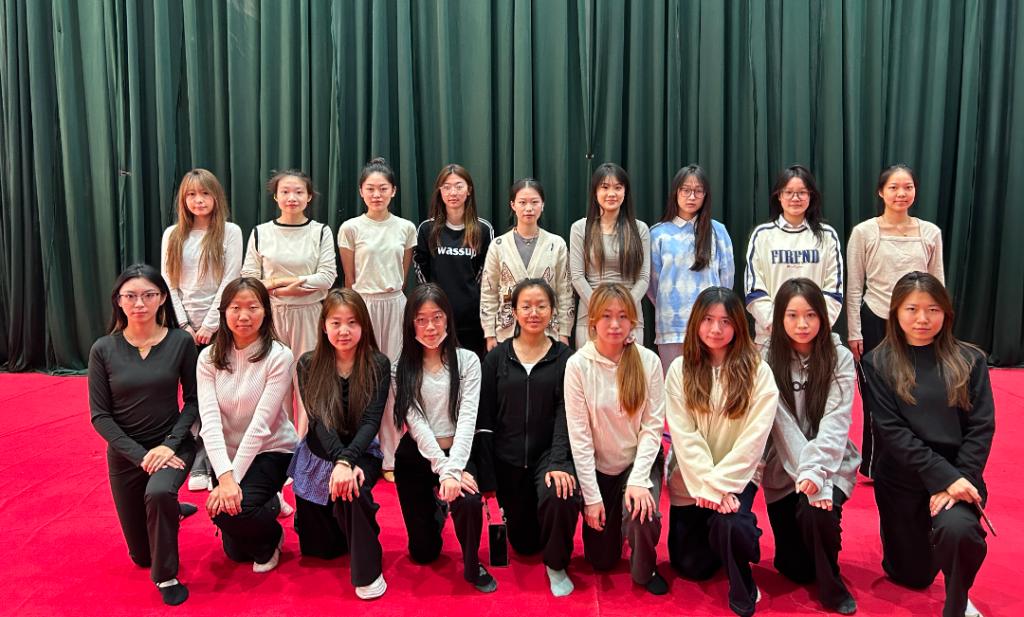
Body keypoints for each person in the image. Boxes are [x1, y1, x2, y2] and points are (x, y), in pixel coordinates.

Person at [861, 272, 993, 617]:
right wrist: (942, 477)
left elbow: (981, 428)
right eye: (912, 309)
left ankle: (958, 600)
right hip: (902, 479)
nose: (922, 318)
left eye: (933, 309)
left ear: (946, 314)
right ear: (895, 312)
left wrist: (957, 479)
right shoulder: (877, 362)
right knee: (912, 576)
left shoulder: (971, 360)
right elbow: (892, 432)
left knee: (959, 531)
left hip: (959, 475)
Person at [88, 264, 200, 606]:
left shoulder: (180, 341)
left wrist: (168, 446)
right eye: (131, 296)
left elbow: (194, 401)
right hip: (126, 456)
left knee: (159, 492)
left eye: (149, 295)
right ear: (118, 301)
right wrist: (141, 456)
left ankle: (166, 575)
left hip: (172, 448)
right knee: (140, 555)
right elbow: (100, 416)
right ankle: (170, 510)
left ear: (162, 298)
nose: (139, 303)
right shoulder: (103, 349)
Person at [664, 286, 778, 617]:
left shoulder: (758, 372)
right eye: (708, 319)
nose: (716, 329)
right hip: (691, 481)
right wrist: (708, 485)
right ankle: (721, 539)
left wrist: (721, 485)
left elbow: (753, 440)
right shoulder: (680, 369)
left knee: (731, 526)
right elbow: (684, 436)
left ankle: (742, 556)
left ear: (738, 325)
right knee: (691, 566)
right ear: (696, 323)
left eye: (725, 321)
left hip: (737, 479)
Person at [475, 278, 581, 596]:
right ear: (514, 312)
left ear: (552, 311)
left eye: (541, 306)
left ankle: (557, 564)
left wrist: (559, 461)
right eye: (526, 306)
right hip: (507, 460)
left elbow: (567, 415)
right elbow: (484, 420)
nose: (534, 313)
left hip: (548, 454)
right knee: (524, 544)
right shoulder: (496, 358)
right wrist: (488, 479)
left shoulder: (566, 358)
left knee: (561, 492)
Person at [761, 278, 860, 615]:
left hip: (830, 461)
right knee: (795, 569)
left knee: (816, 509)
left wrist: (818, 473)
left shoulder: (839, 357)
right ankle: (812, 552)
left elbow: (836, 421)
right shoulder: (765, 358)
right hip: (784, 463)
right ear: (779, 318)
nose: (802, 324)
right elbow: (781, 425)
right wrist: (806, 470)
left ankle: (832, 584)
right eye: (792, 315)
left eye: (810, 315)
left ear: (823, 316)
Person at [564, 283, 668, 595]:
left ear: (632, 321)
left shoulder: (648, 361)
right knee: (601, 561)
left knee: (641, 511)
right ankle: (616, 520)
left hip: (637, 462)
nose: (614, 324)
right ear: (592, 320)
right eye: (606, 316)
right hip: (599, 467)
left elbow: (652, 427)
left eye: (623, 316)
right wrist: (591, 498)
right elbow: (580, 438)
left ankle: (645, 566)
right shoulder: (577, 365)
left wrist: (638, 479)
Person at [391, 284, 495, 592]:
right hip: (417, 456)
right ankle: (437, 511)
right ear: (411, 324)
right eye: (421, 320)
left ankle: (472, 562)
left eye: (437, 317)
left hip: (460, 450)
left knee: (470, 500)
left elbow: (468, 418)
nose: (430, 327)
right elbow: (417, 425)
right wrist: (445, 470)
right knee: (423, 553)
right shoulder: (401, 368)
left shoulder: (468, 361)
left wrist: (455, 468)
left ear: (448, 318)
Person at [289, 288, 391, 599]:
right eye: (336, 323)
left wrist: (348, 462)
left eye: (352, 323)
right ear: (324, 326)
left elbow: (371, 421)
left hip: (362, 452)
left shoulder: (378, 363)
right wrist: (339, 461)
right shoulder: (308, 364)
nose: (344, 331)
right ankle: (354, 520)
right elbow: (318, 422)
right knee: (323, 550)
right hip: (320, 453)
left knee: (352, 490)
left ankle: (368, 573)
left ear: (363, 326)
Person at [847, 164, 945, 477]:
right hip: (875, 319)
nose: (901, 193)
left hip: (918, 324)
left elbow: (937, 286)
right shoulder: (864, 232)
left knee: (917, 393)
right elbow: (854, 287)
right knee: (876, 396)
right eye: (893, 187)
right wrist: (854, 332)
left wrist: (939, 327)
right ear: (881, 192)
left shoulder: (930, 233)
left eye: (908, 187)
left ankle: (917, 460)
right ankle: (875, 464)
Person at [197, 278, 298, 574]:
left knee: (229, 514)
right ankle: (270, 503)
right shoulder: (208, 358)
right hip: (228, 455)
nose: (244, 316)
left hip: (271, 449)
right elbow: (210, 423)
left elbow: (260, 426)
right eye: (235, 308)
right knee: (236, 552)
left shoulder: (279, 355)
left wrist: (231, 483)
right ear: (223, 312)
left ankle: (273, 537)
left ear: (265, 311)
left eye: (253, 307)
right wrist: (225, 476)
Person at [160, 168, 243, 492]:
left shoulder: (230, 232)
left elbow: (231, 279)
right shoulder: (173, 235)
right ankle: (197, 455)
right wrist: (184, 325)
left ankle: (217, 458)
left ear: (216, 197)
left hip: (221, 325)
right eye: (192, 195)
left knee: (221, 394)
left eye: (205, 193)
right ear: (184, 200)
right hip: (183, 328)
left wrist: (210, 324)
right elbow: (169, 282)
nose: (199, 200)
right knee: (194, 394)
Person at [241, 169, 336, 437]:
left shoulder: (321, 231)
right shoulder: (261, 232)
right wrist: (279, 285)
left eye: (298, 192)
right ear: (276, 197)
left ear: (309, 197)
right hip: (272, 314)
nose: (291, 197)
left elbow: (327, 276)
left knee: (309, 381)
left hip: (310, 313)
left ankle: (305, 444)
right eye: (285, 192)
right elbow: (249, 278)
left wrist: (292, 286)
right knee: (276, 381)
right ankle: (281, 444)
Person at [338, 157, 417, 480]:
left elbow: (403, 273)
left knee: (395, 377)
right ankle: (357, 450)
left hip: (395, 304)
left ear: (393, 191)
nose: (376, 194)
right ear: (361, 191)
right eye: (370, 188)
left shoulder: (406, 228)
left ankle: (392, 453)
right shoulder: (350, 228)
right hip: (362, 306)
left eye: (383, 188)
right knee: (363, 377)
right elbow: (349, 279)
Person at [744, 165, 843, 347]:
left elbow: (834, 291)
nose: (795, 198)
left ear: (810, 196)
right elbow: (754, 291)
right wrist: (779, 326)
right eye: (788, 192)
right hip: (771, 338)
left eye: (802, 192)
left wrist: (815, 326)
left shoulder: (827, 236)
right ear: (779, 196)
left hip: (814, 338)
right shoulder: (762, 235)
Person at [648, 164, 735, 372]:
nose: (692, 196)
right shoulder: (658, 233)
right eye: (685, 190)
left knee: (711, 383)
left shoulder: (718, 231)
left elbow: (726, 280)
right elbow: (652, 286)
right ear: (675, 192)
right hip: (671, 326)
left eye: (698, 191)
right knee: (674, 384)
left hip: (711, 326)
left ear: (705, 195)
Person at [480, 178, 572, 350]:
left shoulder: (556, 244)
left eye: (534, 202)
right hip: (506, 333)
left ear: (542, 205)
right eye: (522, 202)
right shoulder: (498, 245)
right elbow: (488, 292)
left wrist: (564, 332)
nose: (528, 208)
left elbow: (564, 291)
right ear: (513, 205)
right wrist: (489, 334)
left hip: (548, 333)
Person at [413, 163, 494, 357]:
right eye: (447, 187)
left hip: (472, 320)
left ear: (469, 190)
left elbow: (487, 274)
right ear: (440, 191)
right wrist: (433, 304)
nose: (453, 193)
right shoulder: (427, 229)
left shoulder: (483, 230)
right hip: (437, 319)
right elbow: (420, 271)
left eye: (459, 186)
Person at [569, 163, 650, 347]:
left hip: (630, 314)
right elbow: (577, 277)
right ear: (595, 192)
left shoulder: (640, 229)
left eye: (618, 188)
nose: (611, 193)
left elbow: (644, 278)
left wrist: (622, 309)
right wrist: (603, 308)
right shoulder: (580, 228)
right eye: (605, 187)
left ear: (625, 192)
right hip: (591, 314)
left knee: (629, 366)